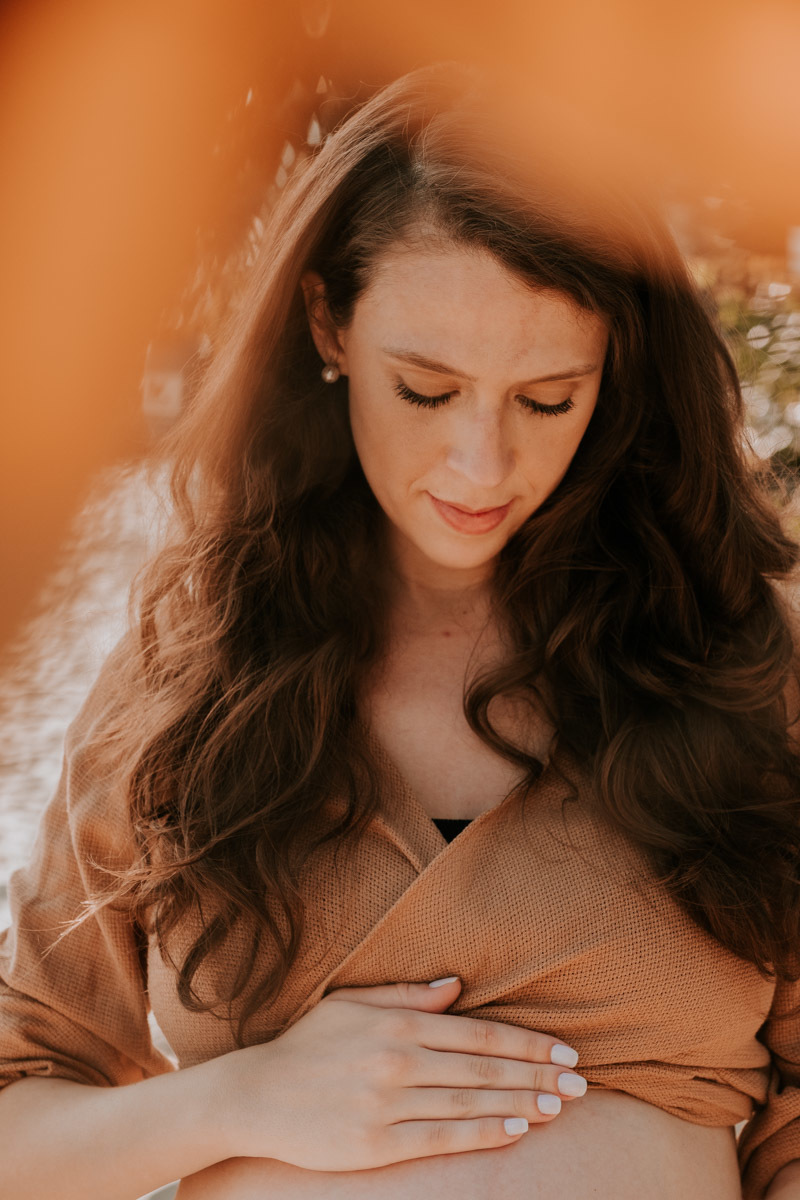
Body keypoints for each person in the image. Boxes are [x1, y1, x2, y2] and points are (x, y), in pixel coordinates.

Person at [1, 61, 799, 1200]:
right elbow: (16, 1116)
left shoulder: (743, 659)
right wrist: (239, 1099)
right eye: (425, 390)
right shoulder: (192, 674)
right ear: (327, 324)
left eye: (545, 399)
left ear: (615, 370)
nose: (482, 465)